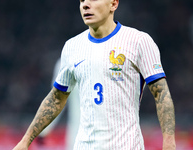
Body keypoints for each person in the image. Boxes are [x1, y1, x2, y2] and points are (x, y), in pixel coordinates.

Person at [13, 0, 176, 149]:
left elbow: (161, 93)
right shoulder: (72, 47)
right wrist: (26, 140)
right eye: (82, 0)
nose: (85, 5)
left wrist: (169, 142)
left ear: (113, 4)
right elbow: (56, 98)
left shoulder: (139, 41)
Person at [37, 58, 80, 150]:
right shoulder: (66, 61)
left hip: (81, 134)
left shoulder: (65, 62)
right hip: (82, 133)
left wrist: (43, 130)